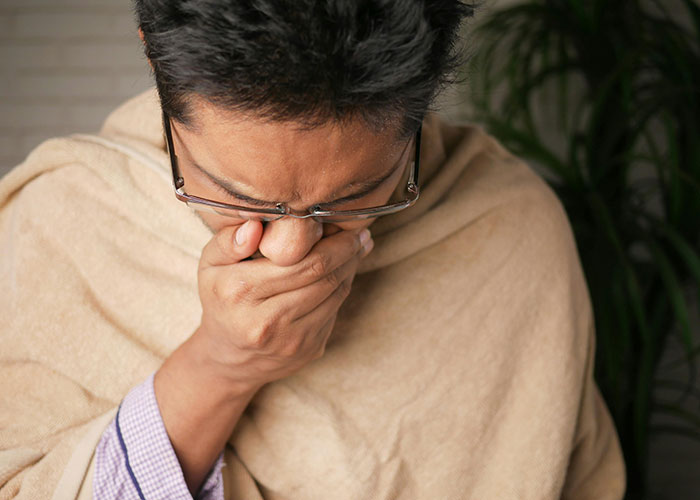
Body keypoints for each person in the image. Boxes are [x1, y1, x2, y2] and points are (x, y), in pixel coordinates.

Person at [0, 1, 626, 499]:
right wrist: (218, 367)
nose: (292, 250)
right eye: (232, 193)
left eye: (360, 195)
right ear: (157, 69)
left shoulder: (512, 230)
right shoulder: (58, 223)